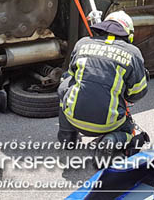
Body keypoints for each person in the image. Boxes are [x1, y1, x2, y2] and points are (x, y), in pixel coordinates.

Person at [57, 11, 148, 154]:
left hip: (73, 118)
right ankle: (111, 140)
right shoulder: (132, 52)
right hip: (108, 125)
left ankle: (66, 136)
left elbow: (72, 76)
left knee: (65, 83)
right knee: (129, 131)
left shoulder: (82, 43)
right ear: (128, 33)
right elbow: (137, 93)